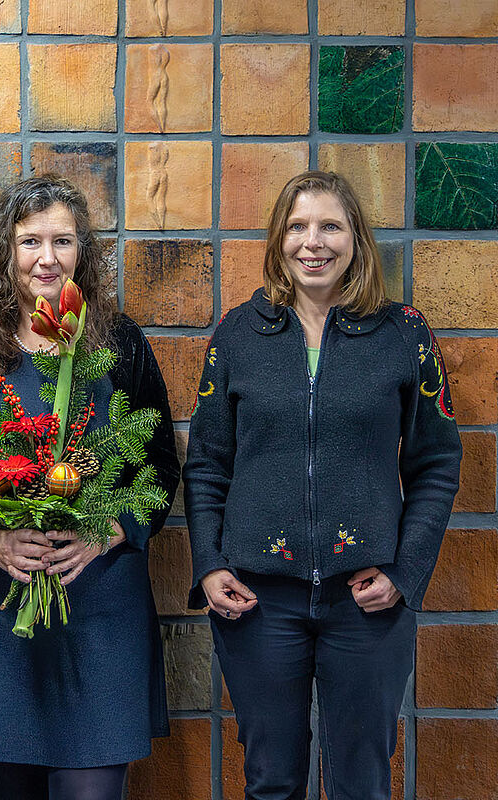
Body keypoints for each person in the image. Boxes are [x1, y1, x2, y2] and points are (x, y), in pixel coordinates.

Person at [185, 171, 461, 799]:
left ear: (356, 239)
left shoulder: (404, 335)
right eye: (298, 226)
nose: (314, 242)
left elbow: (437, 462)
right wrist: (209, 565)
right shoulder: (236, 336)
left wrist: (405, 571)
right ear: (279, 239)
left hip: (367, 600)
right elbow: (205, 462)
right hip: (258, 601)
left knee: (361, 784)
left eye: (330, 225)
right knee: (271, 782)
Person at [0, 175, 180, 799]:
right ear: (6, 251)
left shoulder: (120, 342)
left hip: (100, 609)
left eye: (63, 240)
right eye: (30, 241)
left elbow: (161, 468)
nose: (47, 257)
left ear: (85, 250)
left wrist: (111, 531)